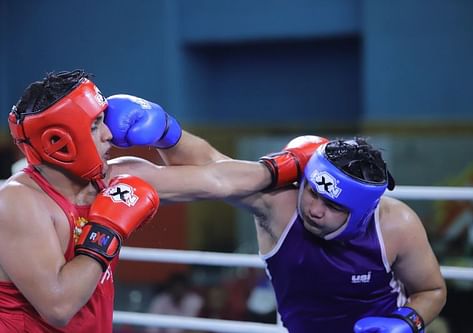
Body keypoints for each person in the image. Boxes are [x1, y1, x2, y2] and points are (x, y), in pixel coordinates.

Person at [0, 69, 302, 332]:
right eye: (94, 126)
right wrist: (108, 229)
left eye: (104, 120)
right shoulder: (19, 202)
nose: (109, 134)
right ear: (59, 141)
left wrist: (287, 166)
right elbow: (58, 307)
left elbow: (216, 179)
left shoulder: (113, 178)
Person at [226, 137, 447, 333]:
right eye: (313, 192)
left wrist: (406, 322)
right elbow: (214, 174)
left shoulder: (396, 225)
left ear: (362, 212)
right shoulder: (279, 208)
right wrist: (272, 169)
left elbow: (432, 290)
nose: (315, 210)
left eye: (333, 206)